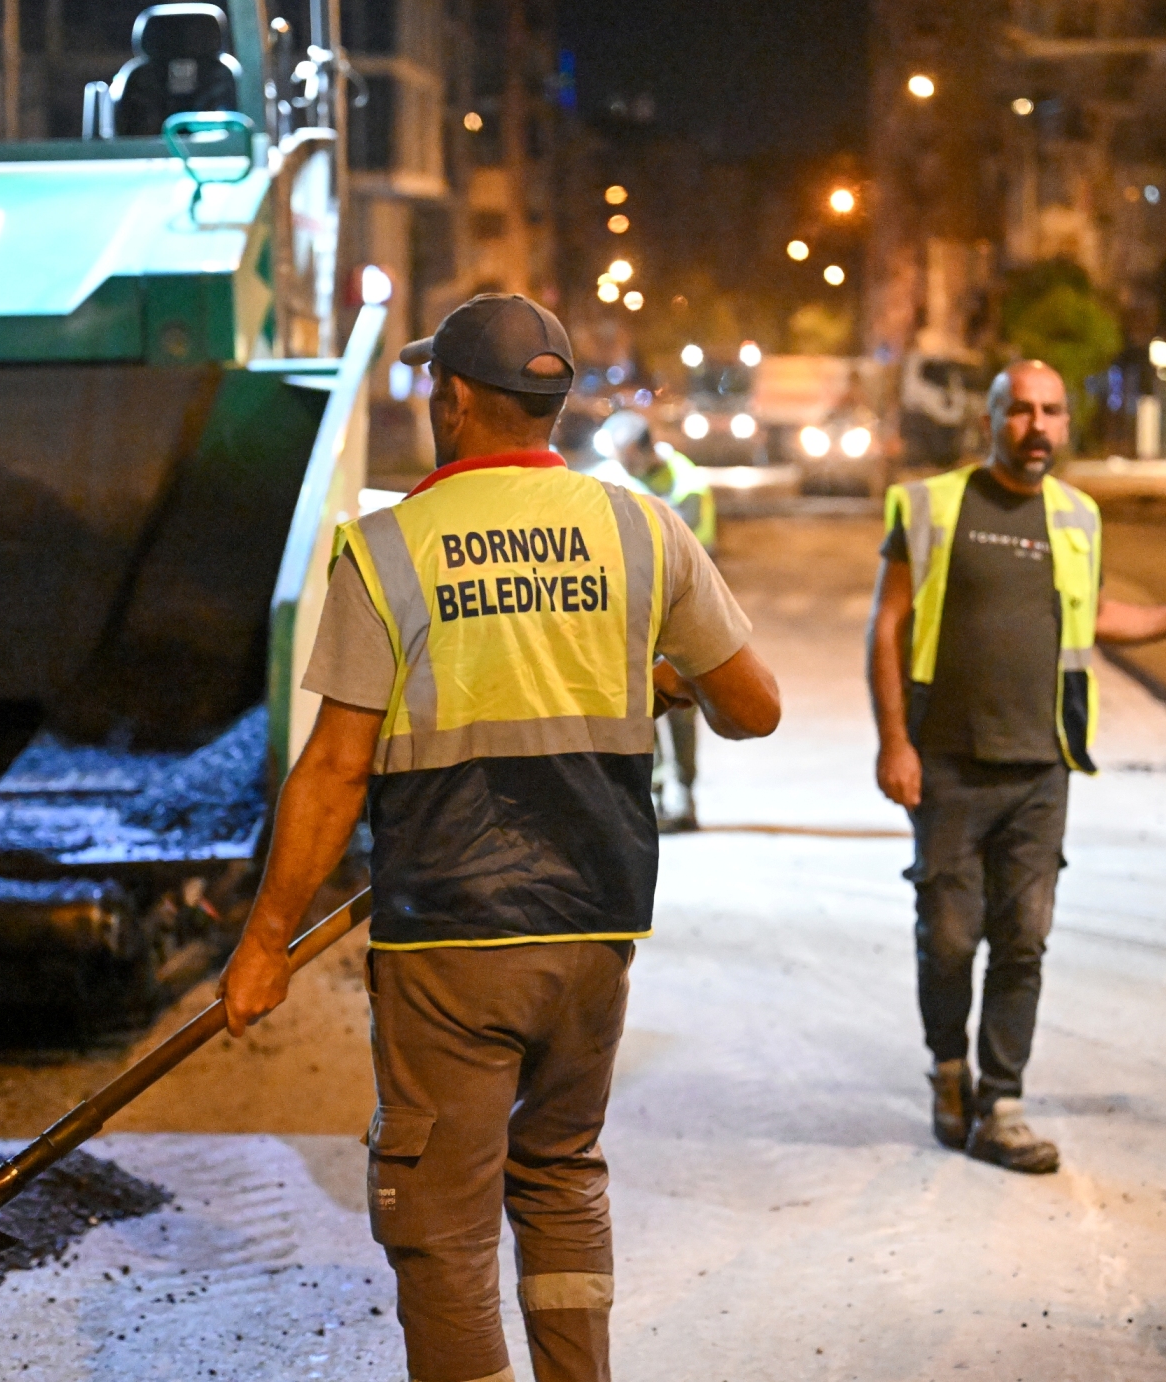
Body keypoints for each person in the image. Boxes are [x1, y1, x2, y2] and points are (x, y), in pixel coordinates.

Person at [220, 293, 780, 1382]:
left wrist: (264, 943)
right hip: (593, 932)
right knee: (560, 1179)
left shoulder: (389, 547)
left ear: (455, 401)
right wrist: (660, 681)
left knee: (439, 1222)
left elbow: (334, 768)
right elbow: (752, 707)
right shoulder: (641, 528)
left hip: (451, 938)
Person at [867, 360, 1166, 1174]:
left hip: (1042, 766)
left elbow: (1091, 614)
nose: (1036, 426)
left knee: (1023, 940)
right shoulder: (930, 505)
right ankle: (948, 1068)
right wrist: (894, 741)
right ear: (990, 421)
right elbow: (887, 624)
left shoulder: (1077, 515)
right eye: (1019, 411)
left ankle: (1001, 1104)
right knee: (948, 940)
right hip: (947, 762)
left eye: (1051, 411)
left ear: (1066, 423)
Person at [600, 408, 716, 832]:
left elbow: (694, 552)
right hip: (628, 610)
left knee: (681, 703)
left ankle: (684, 794)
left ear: (640, 450)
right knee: (637, 702)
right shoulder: (608, 477)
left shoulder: (688, 485)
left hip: (678, 610)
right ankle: (650, 795)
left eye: (623, 453)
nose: (618, 461)